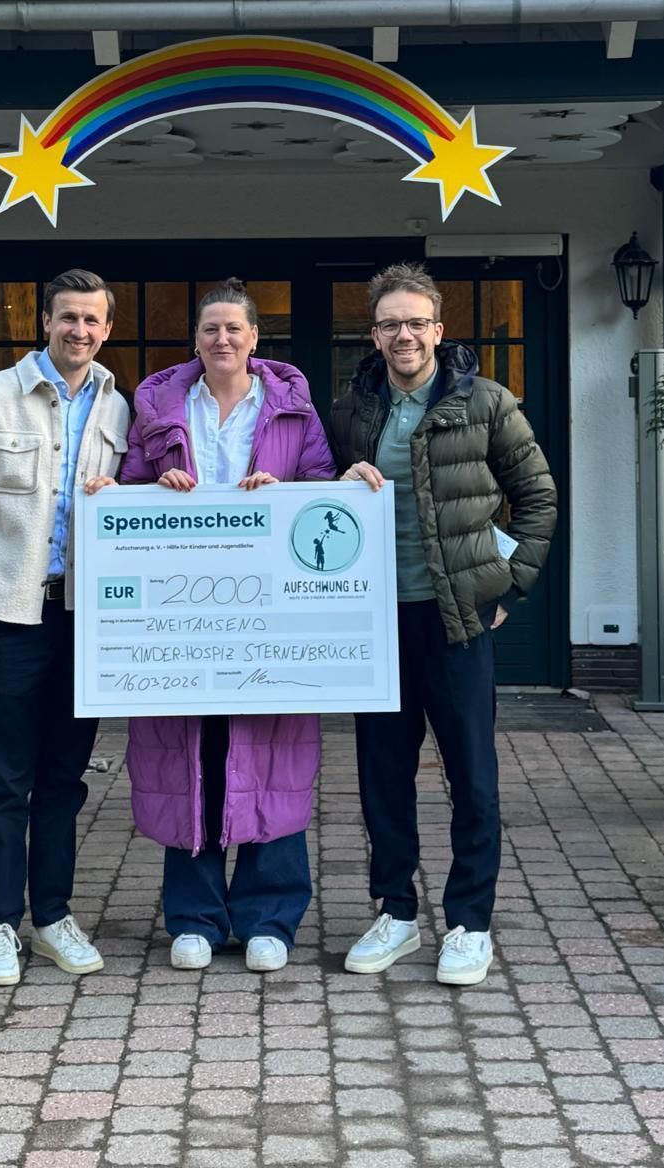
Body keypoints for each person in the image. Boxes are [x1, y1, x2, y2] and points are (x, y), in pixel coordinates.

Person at [331, 263, 557, 986]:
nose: (404, 335)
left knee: (471, 774)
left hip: (457, 620)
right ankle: (396, 912)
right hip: (376, 620)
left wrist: (510, 584)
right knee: (383, 775)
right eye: (390, 324)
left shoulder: (486, 402)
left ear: (438, 328)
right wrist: (337, 481)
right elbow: (317, 502)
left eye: (415, 322)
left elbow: (538, 497)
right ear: (374, 334)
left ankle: (469, 923)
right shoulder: (353, 410)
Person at [115, 279, 335, 973]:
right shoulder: (159, 408)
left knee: (270, 752)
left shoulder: (292, 408)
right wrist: (152, 489)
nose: (222, 339)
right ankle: (195, 918)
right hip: (182, 611)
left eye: (234, 328)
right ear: (196, 338)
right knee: (196, 755)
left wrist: (285, 496)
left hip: (270, 613)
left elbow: (322, 487)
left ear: (255, 338)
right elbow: (126, 488)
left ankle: (270, 917)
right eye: (211, 329)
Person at [0, 268, 131, 987]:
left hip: (84, 618)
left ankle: (51, 916)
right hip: (12, 617)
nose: (80, 330)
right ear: (45, 322)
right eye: (67, 317)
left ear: (106, 329)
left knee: (63, 779)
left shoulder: (117, 407)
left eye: (92, 319)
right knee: (4, 780)